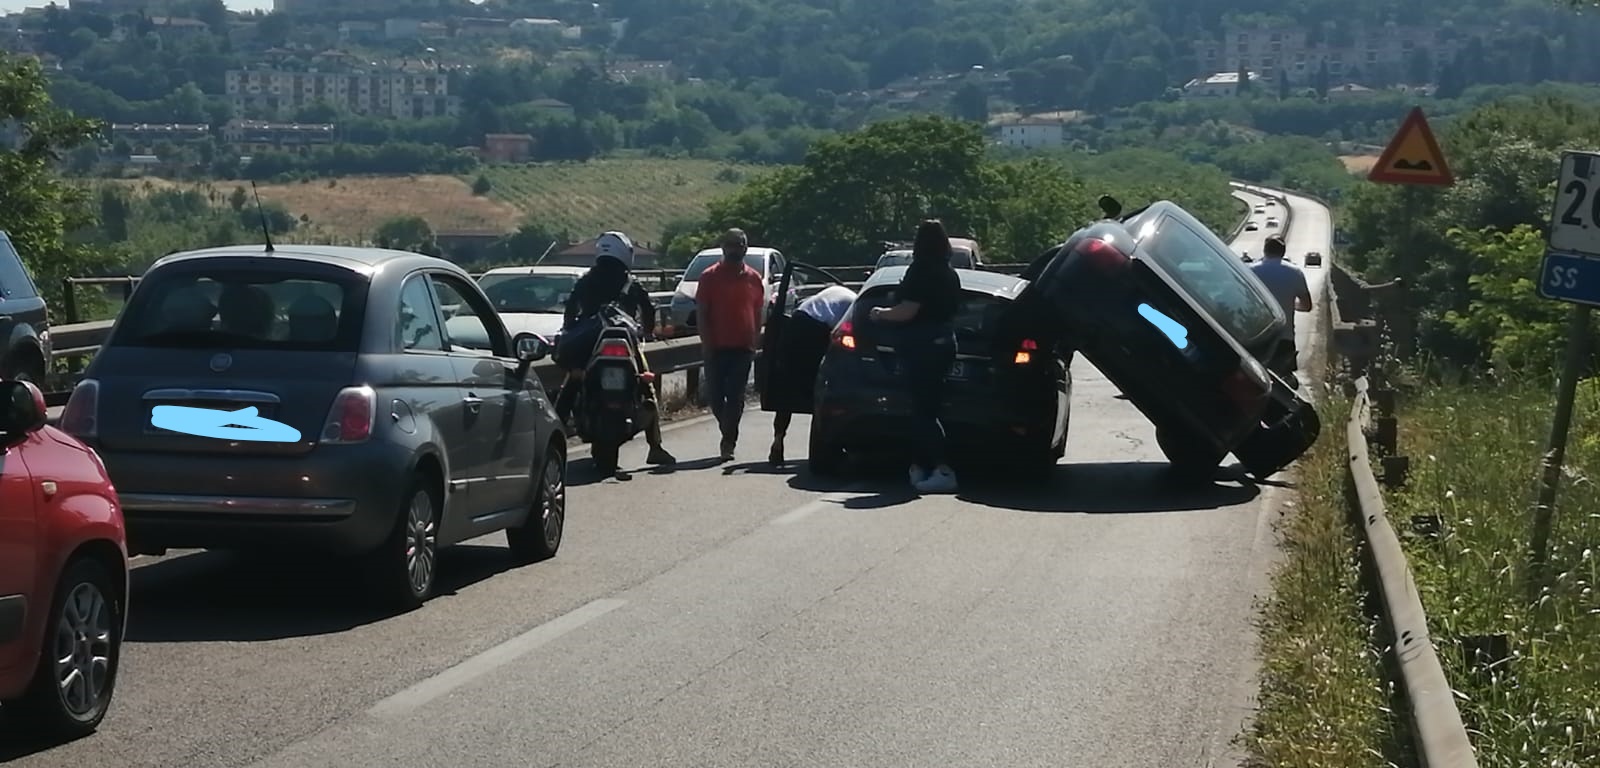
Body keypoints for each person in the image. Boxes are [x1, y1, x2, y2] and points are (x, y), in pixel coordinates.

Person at [555, 230, 675, 466]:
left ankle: (553, 440)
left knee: (573, 380)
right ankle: (655, 446)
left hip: (590, 344)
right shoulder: (631, 282)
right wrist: (648, 333)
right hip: (627, 341)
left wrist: (570, 328)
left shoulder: (587, 279)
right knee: (645, 385)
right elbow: (648, 310)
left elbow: (570, 310)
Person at [869, 219, 963, 494]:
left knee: (924, 410)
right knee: (929, 406)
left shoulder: (921, 271)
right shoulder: (949, 273)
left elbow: (908, 311)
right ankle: (923, 465)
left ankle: (940, 469)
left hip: (923, 346)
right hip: (944, 342)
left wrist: (880, 314)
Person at [695, 228, 765, 461]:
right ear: (724, 247)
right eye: (732, 244)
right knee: (715, 398)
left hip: (743, 348)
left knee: (735, 396)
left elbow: (757, 311)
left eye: (741, 244)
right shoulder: (709, 276)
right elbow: (702, 312)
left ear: (746, 248)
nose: (736, 249)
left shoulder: (754, 278)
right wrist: (706, 342)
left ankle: (729, 441)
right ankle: (727, 429)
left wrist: (755, 338)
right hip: (716, 346)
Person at [768, 284, 857, 465]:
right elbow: (838, 334)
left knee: (788, 387)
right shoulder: (854, 305)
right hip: (815, 330)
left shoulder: (834, 293)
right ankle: (822, 443)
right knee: (821, 386)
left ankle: (778, 439)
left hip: (796, 323)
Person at [1249, 234, 1313, 380]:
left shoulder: (1251, 271)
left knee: (1255, 379)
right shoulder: (1295, 272)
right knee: (1285, 381)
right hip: (1285, 337)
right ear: (1283, 252)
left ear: (1264, 250)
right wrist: (1292, 305)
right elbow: (1307, 305)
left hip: (1256, 337)